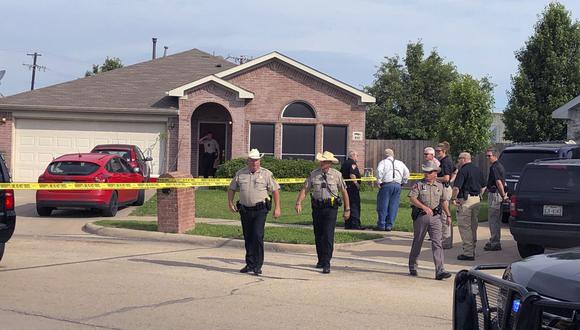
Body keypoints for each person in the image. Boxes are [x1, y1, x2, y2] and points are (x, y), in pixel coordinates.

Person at [295, 151, 350, 274]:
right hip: (317, 207)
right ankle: (320, 260)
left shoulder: (337, 175)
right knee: (318, 234)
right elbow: (305, 189)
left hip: (331, 208)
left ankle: (327, 262)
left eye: (324, 161)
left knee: (328, 235)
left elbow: (344, 192)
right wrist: (298, 202)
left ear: (330, 163)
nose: (322, 163)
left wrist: (347, 209)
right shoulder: (314, 174)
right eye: (321, 161)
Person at [228, 149, 281, 275]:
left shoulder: (266, 174)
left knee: (257, 235)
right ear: (248, 161)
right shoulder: (240, 173)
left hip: (260, 210)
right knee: (248, 236)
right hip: (245, 210)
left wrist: (277, 207)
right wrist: (230, 202)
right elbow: (231, 188)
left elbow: (275, 190)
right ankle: (250, 264)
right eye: (252, 160)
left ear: (259, 161)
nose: (254, 162)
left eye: (256, 160)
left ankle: (258, 265)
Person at [408, 160, 453, 280]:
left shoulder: (439, 185)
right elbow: (412, 198)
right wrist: (423, 207)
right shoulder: (418, 185)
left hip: (435, 217)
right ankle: (413, 266)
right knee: (418, 241)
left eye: (429, 172)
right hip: (421, 217)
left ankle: (440, 270)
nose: (427, 174)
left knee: (437, 243)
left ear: (435, 173)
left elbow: (443, 201)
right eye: (425, 172)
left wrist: (448, 215)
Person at [451, 152, 485, 261]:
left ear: (464, 159)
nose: (458, 161)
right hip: (476, 200)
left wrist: (453, 198)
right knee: (473, 226)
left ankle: (468, 253)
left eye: (459, 159)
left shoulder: (463, 170)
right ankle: (472, 248)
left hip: (466, 201)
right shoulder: (478, 170)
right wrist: (480, 195)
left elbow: (456, 188)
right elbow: (484, 186)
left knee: (465, 227)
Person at [375, 148, 410, 231]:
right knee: (393, 205)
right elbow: (407, 172)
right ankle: (389, 225)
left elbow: (379, 171)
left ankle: (381, 224)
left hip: (387, 184)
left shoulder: (383, 162)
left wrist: (379, 181)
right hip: (397, 185)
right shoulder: (400, 163)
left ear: (385, 155)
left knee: (383, 205)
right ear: (393, 155)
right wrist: (403, 182)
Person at [482, 148, 507, 251]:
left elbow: (499, 182)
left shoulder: (495, 167)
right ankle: (495, 241)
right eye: (487, 156)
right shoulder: (499, 166)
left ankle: (495, 243)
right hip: (497, 194)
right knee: (495, 219)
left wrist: (502, 195)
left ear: (495, 156)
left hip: (495, 195)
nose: (487, 158)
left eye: (489, 156)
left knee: (493, 219)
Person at [435, 142, 454, 249]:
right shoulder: (444, 161)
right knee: (445, 214)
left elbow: (446, 177)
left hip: (444, 188)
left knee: (444, 215)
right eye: (436, 150)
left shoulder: (445, 162)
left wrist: (434, 178)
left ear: (444, 151)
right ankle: (447, 239)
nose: (437, 152)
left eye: (439, 151)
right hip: (445, 187)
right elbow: (455, 170)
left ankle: (446, 241)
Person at [340, 150, 364, 230]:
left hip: (346, 187)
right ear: (353, 155)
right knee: (355, 205)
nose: (357, 157)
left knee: (347, 205)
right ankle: (355, 225)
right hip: (352, 188)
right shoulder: (352, 163)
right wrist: (356, 184)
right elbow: (352, 174)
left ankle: (348, 224)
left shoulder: (344, 163)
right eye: (357, 155)